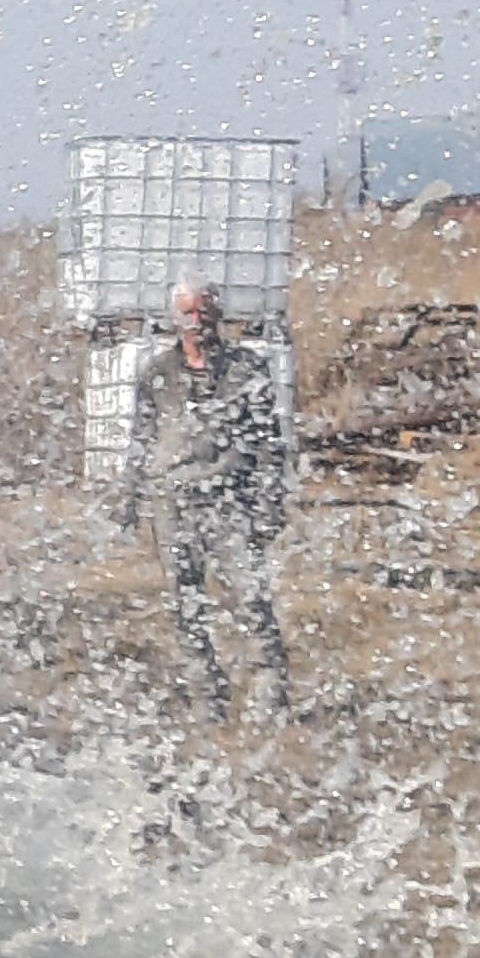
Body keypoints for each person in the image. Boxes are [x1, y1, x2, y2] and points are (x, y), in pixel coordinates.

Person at [121, 282, 295, 721]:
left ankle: (269, 700)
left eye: (203, 312)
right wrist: (129, 498)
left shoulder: (247, 369)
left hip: (229, 500)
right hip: (172, 504)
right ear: (173, 320)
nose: (195, 322)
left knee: (251, 600)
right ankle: (206, 700)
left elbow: (269, 445)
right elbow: (141, 439)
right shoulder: (157, 373)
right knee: (184, 605)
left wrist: (269, 503)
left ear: (218, 316)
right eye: (186, 314)